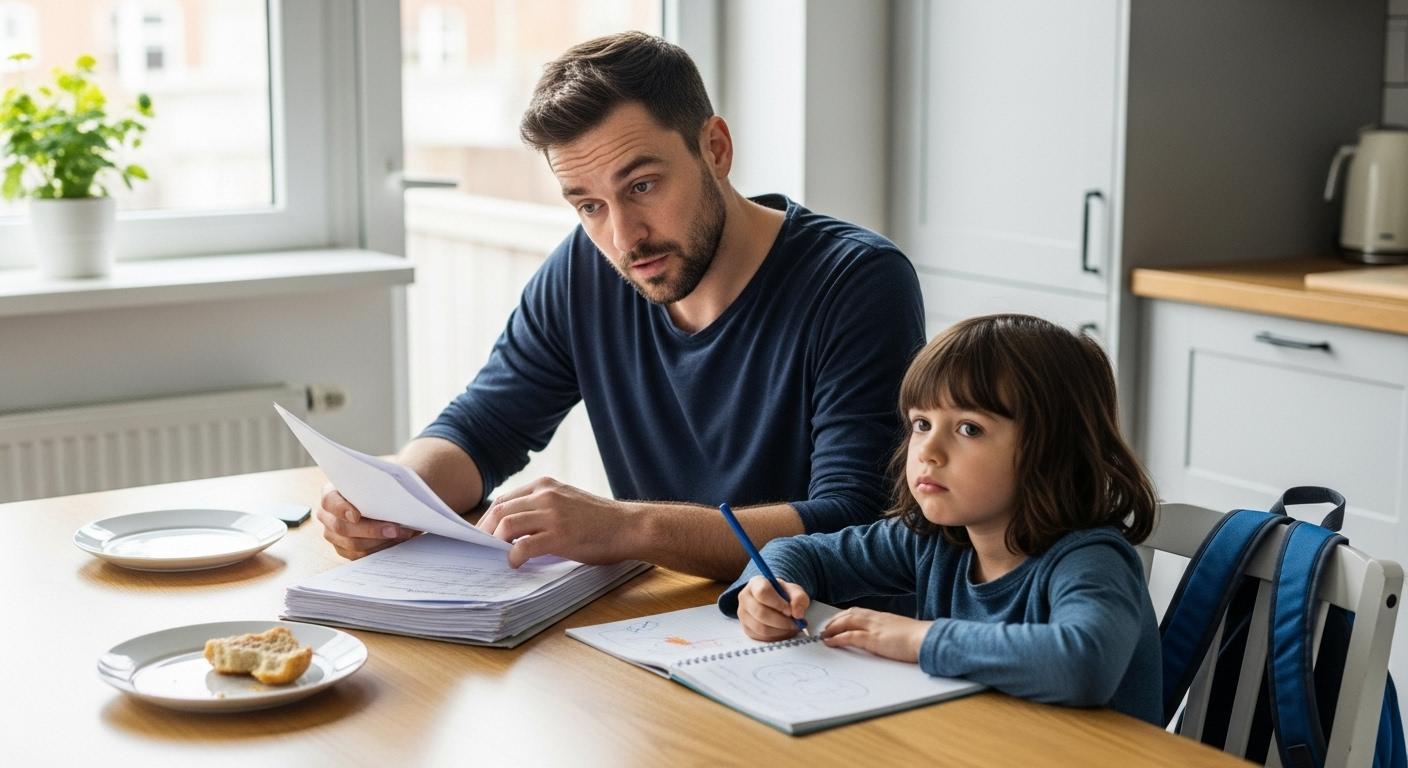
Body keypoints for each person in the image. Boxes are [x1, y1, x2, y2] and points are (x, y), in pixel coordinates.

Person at [316, 32, 925, 580]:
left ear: (714, 148)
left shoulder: (857, 282)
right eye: (588, 205)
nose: (623, 236)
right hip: (663, 626)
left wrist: (625, 528)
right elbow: (482, 429)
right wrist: (390, 492)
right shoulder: (586, 271)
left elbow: (855, 522)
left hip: (815, 633)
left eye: (642, 186)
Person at [721, 314, 1163, 724]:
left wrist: (919, 639)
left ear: (1051, 450)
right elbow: (800, 551)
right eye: (921, 424)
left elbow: (1083, 664)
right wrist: (767, 589)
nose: (928, 451)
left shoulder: (1091, 560)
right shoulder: (937, 540)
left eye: (969, 428)